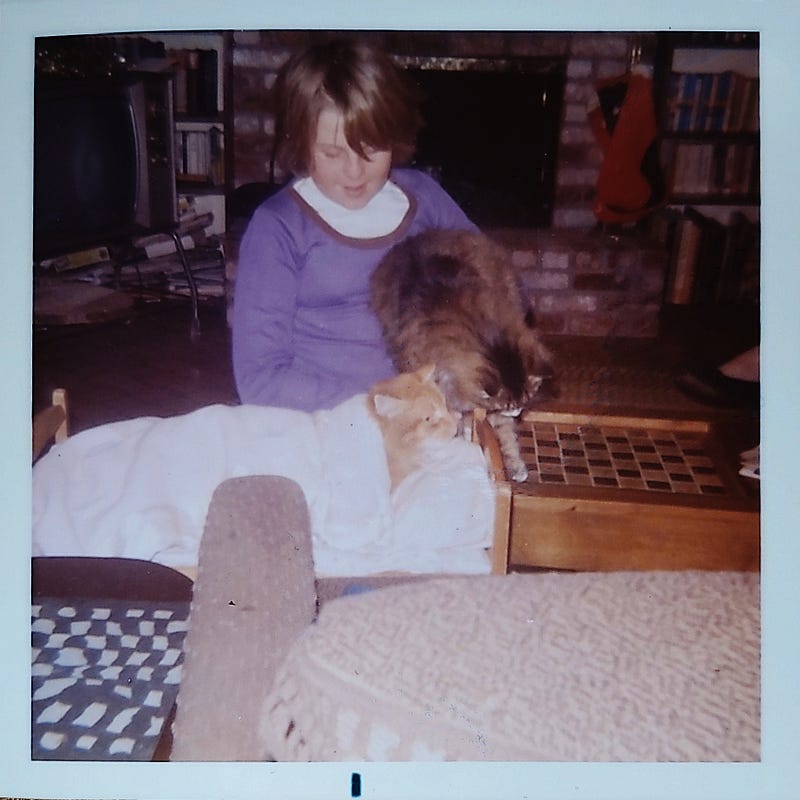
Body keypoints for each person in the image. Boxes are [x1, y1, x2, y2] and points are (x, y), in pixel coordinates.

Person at [231, 38, 477, 412]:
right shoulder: (277, 227)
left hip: (427, 407)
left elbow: (503, 288)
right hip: (319, 414)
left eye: (371, 150)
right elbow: (259, 379)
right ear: (300, 143)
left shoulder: (423, 198)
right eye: (332, 153)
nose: (354, 172)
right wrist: (380, 407)